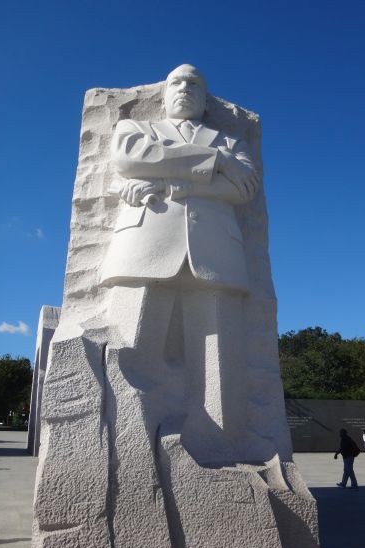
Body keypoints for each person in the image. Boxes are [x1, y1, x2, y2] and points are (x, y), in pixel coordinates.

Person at [101, 64, 260, 461]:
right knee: (130, 351)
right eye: (177, 82)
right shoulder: (136, 129)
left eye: (195, 84)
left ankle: (220, 452)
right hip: (144, 246)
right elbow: (131, 158)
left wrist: (172, 182)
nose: (185, 88)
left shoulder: (233, 140)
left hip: (216, 255)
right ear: (164, 92)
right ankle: (129, 450)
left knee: (219, 364)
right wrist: (215, 161)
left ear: (206, 100)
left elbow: (243, 187)